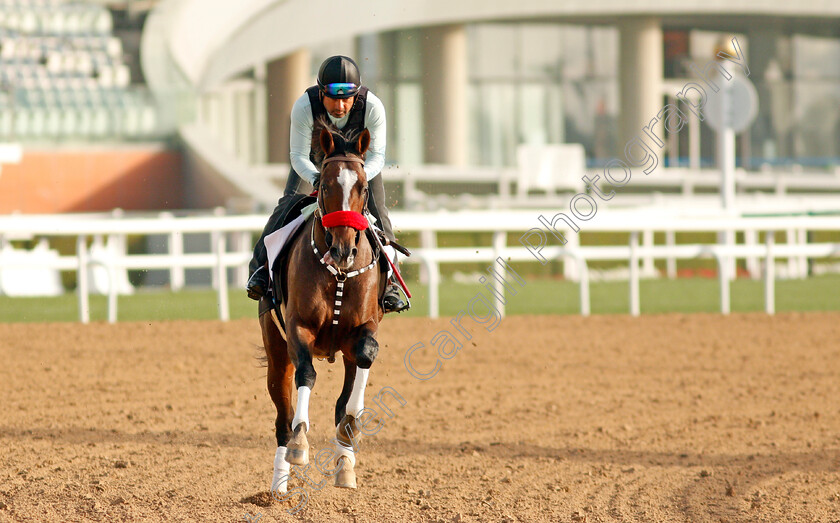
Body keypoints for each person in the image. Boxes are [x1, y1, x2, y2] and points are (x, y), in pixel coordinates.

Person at [247, 55, 408, 313]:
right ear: (321, 92)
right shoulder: (304, 106)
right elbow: (298, 156)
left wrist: (358, 176)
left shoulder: (373, 107)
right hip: (313, 164)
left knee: (380, 213)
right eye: (334, 97)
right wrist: (317, 179)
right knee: (287, 207)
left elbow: (378, 156)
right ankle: (260, 271)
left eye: (347, 98)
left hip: (360, 168)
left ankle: (390, 284)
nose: (341, 106)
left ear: (356, 95)